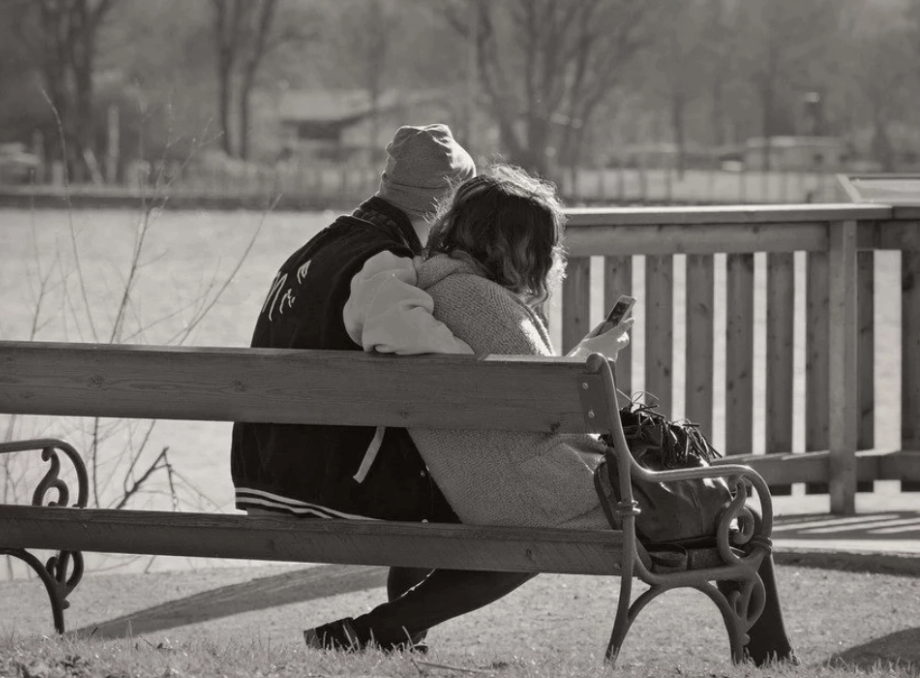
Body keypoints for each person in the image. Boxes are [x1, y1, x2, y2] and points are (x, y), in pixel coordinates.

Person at [336, 164, 797, 665]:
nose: (549, 257)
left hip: (486, 485)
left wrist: (581, 362)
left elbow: (533, 394)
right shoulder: (483, 302)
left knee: (717, 504)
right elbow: (558, 411)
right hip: (541, 492)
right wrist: (595, 360)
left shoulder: (434, 287)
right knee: (739, 513)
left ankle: (369, 631)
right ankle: (771, 660)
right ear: (516, 243)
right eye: (543, 245)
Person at [231, 124, 538, 653]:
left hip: (270, 463)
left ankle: (395, 636)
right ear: (449, 205)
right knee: (520, 518)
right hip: (323, 479)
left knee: (429, 468)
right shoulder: (384, 258)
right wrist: (481, 366)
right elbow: (406, 336)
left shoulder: (323, 245)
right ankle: (375, 633)